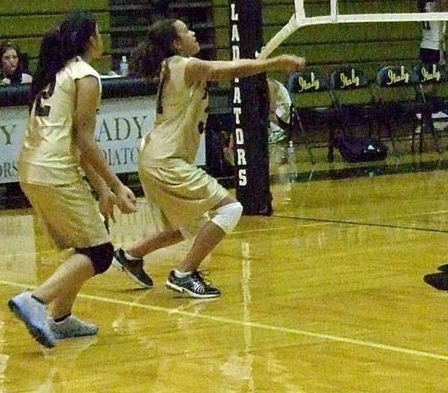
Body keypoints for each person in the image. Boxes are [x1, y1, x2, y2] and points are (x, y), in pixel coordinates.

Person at [111, 18, 305, 298]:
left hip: (155, 158)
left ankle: (130, 256)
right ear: (176, 43)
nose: (193, 32)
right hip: (166, 160)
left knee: (187, 226)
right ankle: (184, 274)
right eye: (186, 30)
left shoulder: (173, 66)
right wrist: (274, 63)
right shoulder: (183, 64)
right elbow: (225, 70)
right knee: (230, 209)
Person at [8, 11, 139, 348]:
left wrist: (100, 190)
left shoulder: (55, 73)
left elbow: (74, 143)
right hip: (54, 171)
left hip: (31, 170)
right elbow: (84, 139)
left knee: (85, 246)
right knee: (99, 254)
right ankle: (36, 301)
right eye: (98, 32)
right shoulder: (86, 76)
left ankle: (62, 318)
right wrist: (116, 184)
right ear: (90, 39)